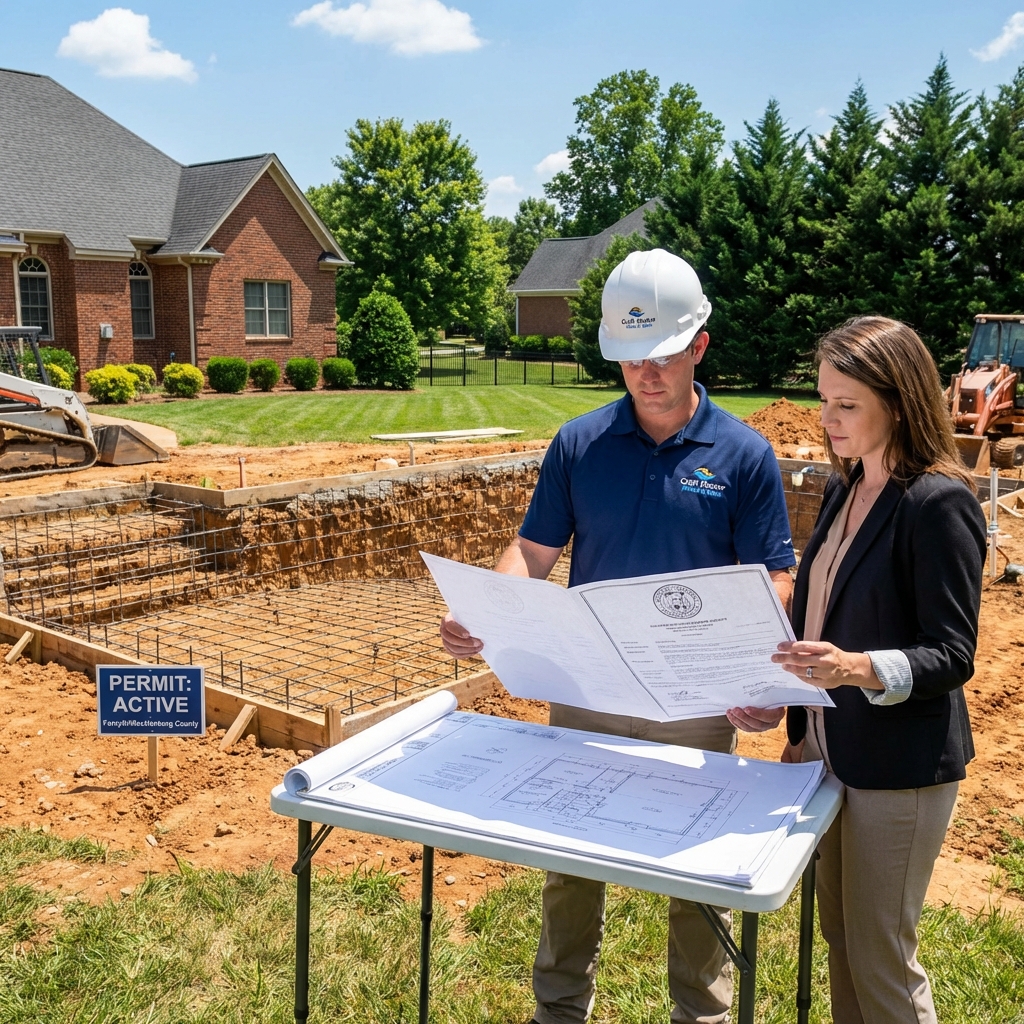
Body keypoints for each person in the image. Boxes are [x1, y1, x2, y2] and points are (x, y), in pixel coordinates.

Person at [441, 248, 796, 1024]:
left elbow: (773, 578)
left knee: (693, 860)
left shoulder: (743, 454)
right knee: (570, 856)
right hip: (588, 687)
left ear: (700, 346)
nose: (647, 373)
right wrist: (491, 608)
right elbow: (534, 550)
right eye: (631, 357)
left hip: (695, 700)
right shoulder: (579, 444)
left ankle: (700, 1013)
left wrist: (753, 678)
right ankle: (559, 1008)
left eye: (663, 354)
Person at [774, 316, 986, 1024]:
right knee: (843, 939)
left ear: (896, 401)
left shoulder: (938, 502)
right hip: (833, 751)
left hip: (901, 767)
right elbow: (819, 615)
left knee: (882, 957)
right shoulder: (843, 489)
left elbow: (953, 653)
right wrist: (801, 726)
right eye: (824, 401)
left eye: (847, 405)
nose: (828, 420)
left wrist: (856, 667)